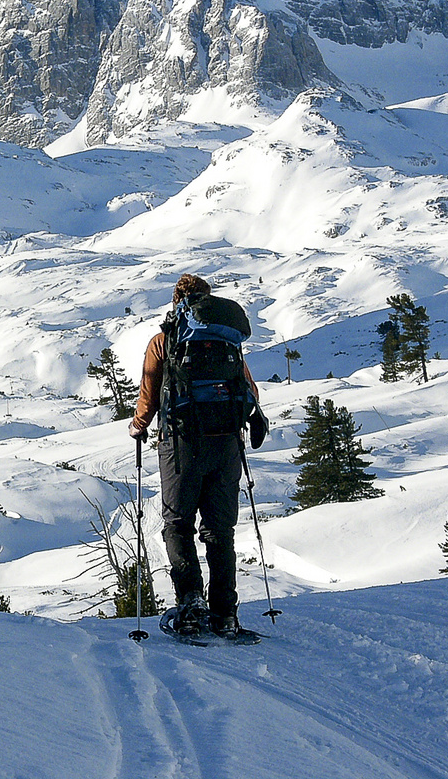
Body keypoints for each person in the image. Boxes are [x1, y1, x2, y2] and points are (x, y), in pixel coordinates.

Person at [128, 273, 264, 638]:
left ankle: (190, 606)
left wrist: (138, 427)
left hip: (182, 444)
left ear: (176, 301)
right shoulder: (228, 342)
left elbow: (149, 395)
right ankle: (225, 615)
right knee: (221, 530)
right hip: (227, 444)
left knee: (178, 524)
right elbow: (248, 388)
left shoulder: (165, 340)